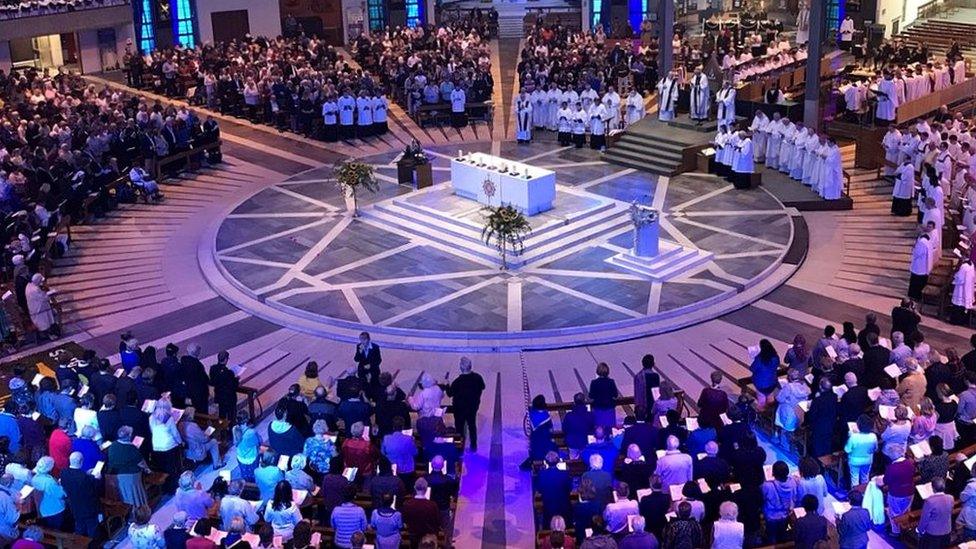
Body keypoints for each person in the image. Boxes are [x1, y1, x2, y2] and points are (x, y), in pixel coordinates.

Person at [446, 357, 485, 452]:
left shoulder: (457, 382)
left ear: (461, 367)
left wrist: (447, 384)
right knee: (472, 425)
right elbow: (483, 387)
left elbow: (450, 393)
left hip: (459, 409)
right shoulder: (478, 377)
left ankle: (460, 446)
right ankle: (473, 445)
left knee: (459, 426)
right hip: (473, 407)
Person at [61, 451, 101, 536]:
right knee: (92, 529)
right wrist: (97, 479)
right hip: (88, 508)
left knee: (79, 528)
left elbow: (76, 480)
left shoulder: (64, 472)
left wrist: (87, 474)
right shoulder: (84, 477)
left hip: (74, 506)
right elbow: (93, 491)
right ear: (81, 462)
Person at [402, 478, 440, 544]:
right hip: (428, 539)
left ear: (414, 488)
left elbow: (405, 521)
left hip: (413, 535)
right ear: (426, 489)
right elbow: (436, 522)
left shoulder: (407, 504)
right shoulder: (432, 505)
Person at [918, 477, 953, 547]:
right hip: (947, 530)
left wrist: (920, 530)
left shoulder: (930, 501)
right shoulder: (950, 498)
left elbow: (924, 518)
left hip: (933, 533)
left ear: (933, 488)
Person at [844, 414, 878, 487]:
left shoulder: (853, 437)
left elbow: (847, 450)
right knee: (865, 478)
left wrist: (849, 436)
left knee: (854, 479)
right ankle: (865, 494)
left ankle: (855, 496)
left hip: (854, 461)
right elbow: (875, 449)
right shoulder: (873, 436)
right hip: (868, 460)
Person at [209, 350, 239, 422]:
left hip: (219, 396)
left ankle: (222, 430)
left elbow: (213, 381)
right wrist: (236, 380)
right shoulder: (229, 373)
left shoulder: (213, 368)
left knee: (222, 415)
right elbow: (233, 386)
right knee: (231, 416)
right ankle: (231, 430)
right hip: (229, 398)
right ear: (225, 359)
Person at [749, 339, 780, 409]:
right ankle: (771, 409)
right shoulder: (775, 357)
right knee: (770, 395)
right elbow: (777, 365)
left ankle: (761, 410)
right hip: (772, 382)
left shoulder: (759, 359)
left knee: (761, 399)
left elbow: (752, 369)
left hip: (761, 384)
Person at [25, 274, 56, 339]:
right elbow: (43, 298)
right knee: (46, 317)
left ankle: (48, 332)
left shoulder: (29, 285)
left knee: (48, 308)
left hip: (34, 307)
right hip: (38, 309)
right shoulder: (35, 289)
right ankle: (48, 333)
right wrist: (50, 292)